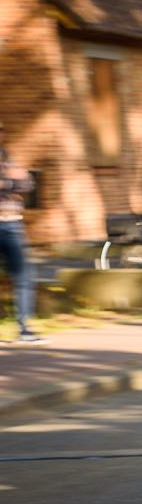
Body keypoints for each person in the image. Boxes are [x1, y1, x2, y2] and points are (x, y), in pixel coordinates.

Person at [0, 122, 39, 342]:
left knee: (23, 277)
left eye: (1, 130)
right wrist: (12, 181)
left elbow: (29, 183)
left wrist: (13, 181)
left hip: (13, 224)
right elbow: (15, 182)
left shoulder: (6, 156)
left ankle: (25, 329)